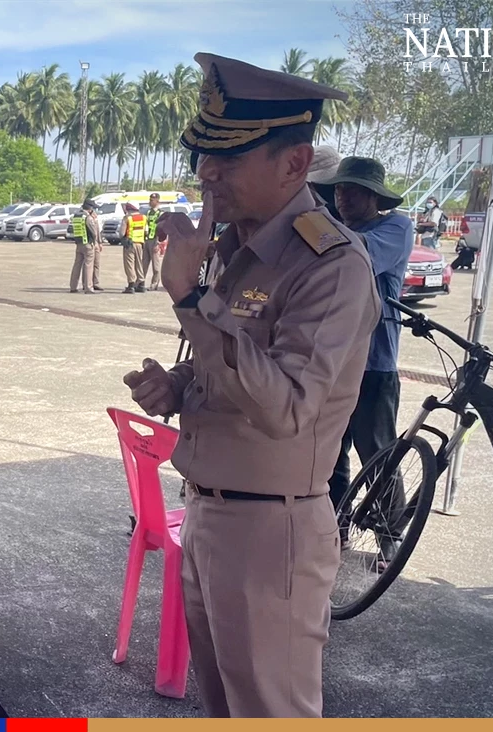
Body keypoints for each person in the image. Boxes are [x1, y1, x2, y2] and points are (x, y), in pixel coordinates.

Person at [123, 53, 378, 718]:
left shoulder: (330, 264)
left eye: (229, 157)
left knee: (272, 714)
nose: (207, 171)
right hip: (209, 512)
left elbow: (288, 405)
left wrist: (190, 297)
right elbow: (233, 359)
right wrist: (179, 384)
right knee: (225, 711)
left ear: (294, 163)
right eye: (203, 154)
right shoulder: (237, 247)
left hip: (271, 530)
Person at [313, 156, 415, 559]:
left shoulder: (394, 227)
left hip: (374, 363)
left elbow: (354, 256)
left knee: (377, 452)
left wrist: (312, 220)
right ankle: (334, 527)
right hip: (332, 361)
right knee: (330, 450)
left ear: (375, 197)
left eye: (354, 190)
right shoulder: (332, 228)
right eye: (339, 189)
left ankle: (389, 535)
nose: (343, 197)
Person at [138, 193, 164, 293]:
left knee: (155, 265)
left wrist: (158, 243)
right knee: (144, 263)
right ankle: (140, 283)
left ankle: (154, 284)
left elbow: (161, 229)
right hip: (147, 239)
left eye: (152, 200)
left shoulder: (160, 213)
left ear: (157, 201)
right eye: (150, 200)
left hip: (155, 240)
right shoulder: (149, 212)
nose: (150, 202)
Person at [69, 202, 97, 294]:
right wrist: (95, 241)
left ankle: (73, 286)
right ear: (90, 209)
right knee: (88, 265)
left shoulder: (76, 216)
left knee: (77, 265)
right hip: (87, 244)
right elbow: (94, 232)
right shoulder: (88, 217)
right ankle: (88, 287)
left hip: (79, 243)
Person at [121, 203, 146, 293]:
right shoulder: (143, 217)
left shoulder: (127, 218)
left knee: (129, 264)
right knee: (139, 263)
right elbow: (146, 231)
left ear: (128, 209)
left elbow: (122, 233)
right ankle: (141, 283)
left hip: (129, 244)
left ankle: (131, 285)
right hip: (140, 243)